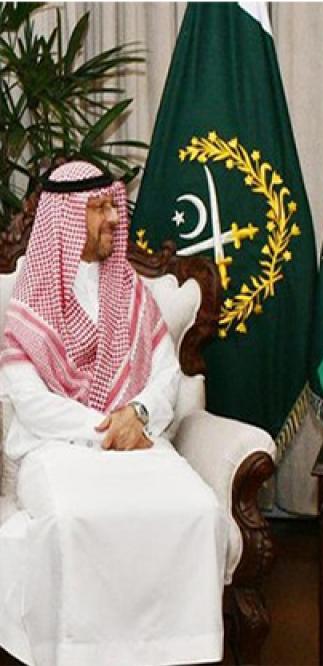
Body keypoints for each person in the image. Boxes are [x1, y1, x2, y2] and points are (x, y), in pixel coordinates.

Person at [0, 160, 235, 666]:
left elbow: (166, 374)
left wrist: (139, 414)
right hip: (56, 450)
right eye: (100, 207)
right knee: (71, 521)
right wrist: (111, 427)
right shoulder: (31, 299)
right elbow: (32, 402)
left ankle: (178, 654)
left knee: (197, 511)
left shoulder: (130, 290)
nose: (113, 217)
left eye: (113, 205)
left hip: (140, 443)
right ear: (66, 217)